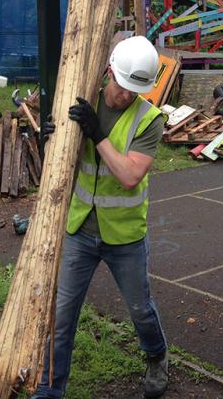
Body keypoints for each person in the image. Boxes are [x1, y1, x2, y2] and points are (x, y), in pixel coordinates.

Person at [31, 35, 168, 399]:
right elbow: (60, 165)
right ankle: (50, 389)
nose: (126, 96)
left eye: (134, 90)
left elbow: (128, 176)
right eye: (123, 87)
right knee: (61, 315)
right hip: (80, 229)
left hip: (125, 237)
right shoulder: (79, 101)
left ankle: (157, 355)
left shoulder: (149, 119)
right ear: (110, 72)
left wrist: (97, 132)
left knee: (140, 310)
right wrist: (50, 142)